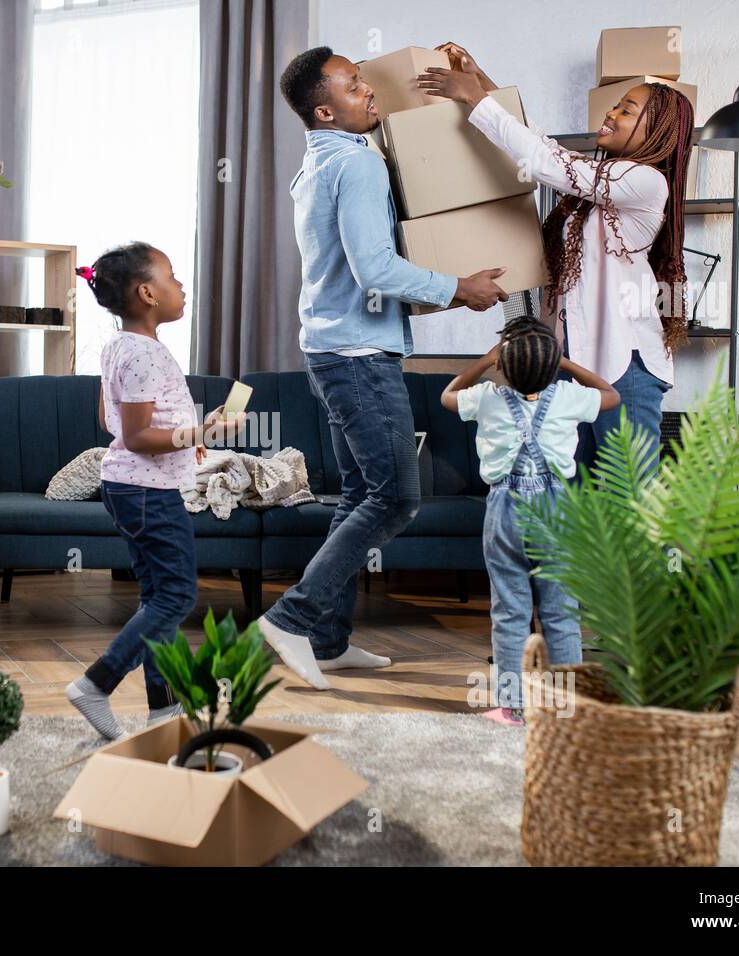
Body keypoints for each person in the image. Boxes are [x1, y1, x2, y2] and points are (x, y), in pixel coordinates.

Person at [265, 46, 510, 690]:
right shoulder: (358, 163)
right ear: (325, 109)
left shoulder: (314, 167)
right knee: (396, 498)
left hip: (333, 348)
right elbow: (374, 268)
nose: (368, 90)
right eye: (352, 85)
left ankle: (328, 640)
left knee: (358, 494)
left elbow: (355, 273)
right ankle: (291, 618)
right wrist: (459, 287)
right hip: (358, 358)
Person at [418, 43, 694, 470]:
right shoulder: (592, 191)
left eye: (626, 110)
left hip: (625, 365)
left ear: (657, 129)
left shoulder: (645, 182)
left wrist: (474, 96)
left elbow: (547, 161)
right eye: (616, 105)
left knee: (630, 504)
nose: (611, 113)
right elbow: (542, 150)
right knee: (572, 501)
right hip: (572, 363)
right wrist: (481, 79)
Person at [65, 242, 239, 740]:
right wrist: (201, 435)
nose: (180, 286)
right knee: (178, 595)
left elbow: (110, 421)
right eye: (172, 276)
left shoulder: (120, 346)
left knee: (157, 595)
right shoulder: (145, 354)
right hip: (147, 492)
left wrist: (187, 439)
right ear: (147, 293)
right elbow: (138, 438)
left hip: (130, 488)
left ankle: (163, 709)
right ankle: (96, 683)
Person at [442, 317, 619, 725]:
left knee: (510, 612)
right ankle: (563, 706)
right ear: (550, 361)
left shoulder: (486, 397)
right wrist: (567, 363)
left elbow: (448, 396)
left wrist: (485, 361)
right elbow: (609, 394)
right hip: (557, 512)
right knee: (561, 612)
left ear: (505, 361)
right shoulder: (567, 398)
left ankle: (512, 708)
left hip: (504, 510)